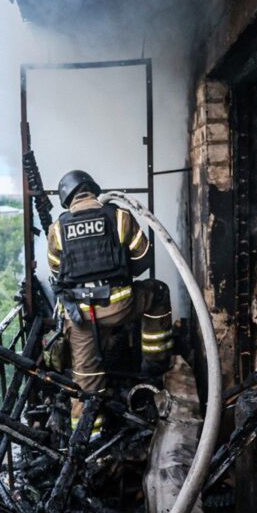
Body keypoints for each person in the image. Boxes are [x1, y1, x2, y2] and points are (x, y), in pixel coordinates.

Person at [47, 170, 173, 438]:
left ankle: (89, 439)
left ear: (66, 199)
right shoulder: (118, 217)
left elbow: (57, 273)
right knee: (158, 293)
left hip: (80, 316)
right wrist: (121, 274)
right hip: (120, 306)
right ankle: (155, 367)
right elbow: (144, 257)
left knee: (85, 381)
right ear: (92, 189)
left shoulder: (57, 229)